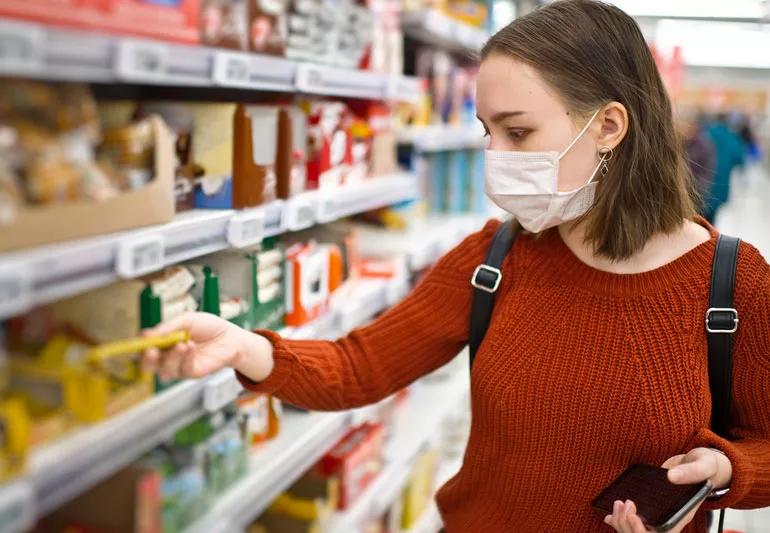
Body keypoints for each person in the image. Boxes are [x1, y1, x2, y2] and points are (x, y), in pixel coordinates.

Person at [143, 1, 770, 531]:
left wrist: (727, 471)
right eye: (486, 131)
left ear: (607, 126)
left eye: (518, 133)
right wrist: (244, 346)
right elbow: (361, 367)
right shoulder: (496, 258)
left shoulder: (731, 284)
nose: (495, 156)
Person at [705, 114, 745, 223]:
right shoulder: (731, 137)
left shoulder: (706, 134)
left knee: (699, 213)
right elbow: (739, 158)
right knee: (713, 216)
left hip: (702, 181)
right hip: (721, 182)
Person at [680, 112, 716, 214]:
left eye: (686, 125)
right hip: (680, 193)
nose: (684, 129)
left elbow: (707, 171)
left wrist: (694, 189)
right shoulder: (679, 142)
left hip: (696, 193)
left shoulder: (704, 145)